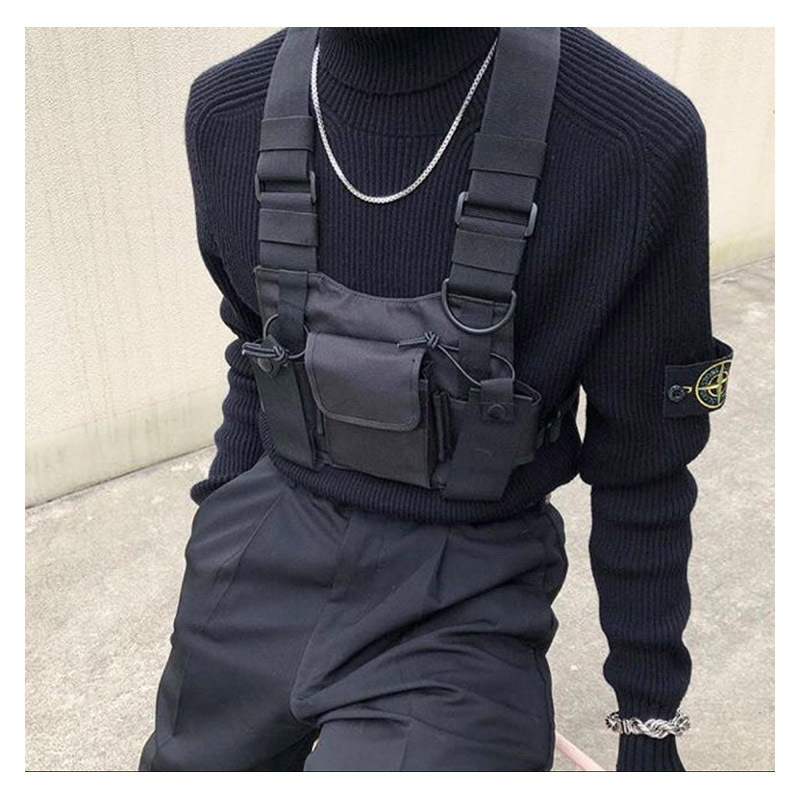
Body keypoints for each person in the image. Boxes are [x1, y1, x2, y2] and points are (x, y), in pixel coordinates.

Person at [139, 27, 733, 772]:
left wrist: (649, 727)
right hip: (268, 536)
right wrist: (216, 552)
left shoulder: (630, 139)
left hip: (468, 582)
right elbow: (257, 358)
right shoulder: (227, 109)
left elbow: (645, 467)